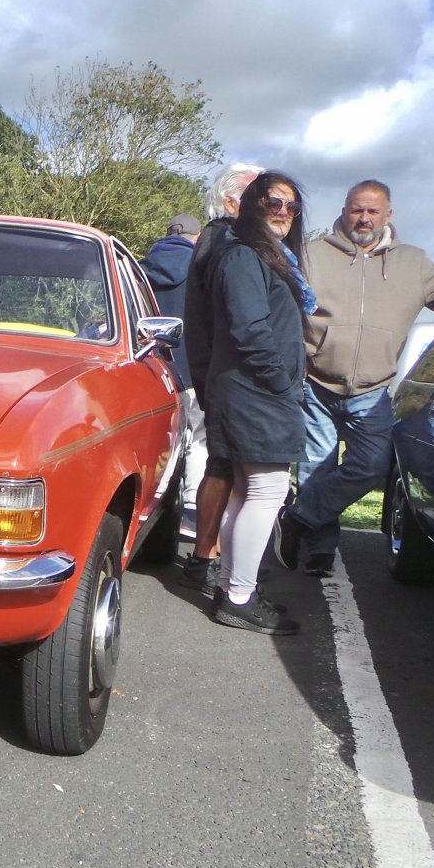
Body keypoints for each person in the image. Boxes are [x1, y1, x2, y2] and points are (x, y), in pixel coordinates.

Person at [275, 180, 434, 578]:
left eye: (372, 211)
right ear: (344, 209)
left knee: (371, 467)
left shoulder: (414, 262)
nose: (363, 218)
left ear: (388, 215)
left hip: (373, 390)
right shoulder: (311, 255)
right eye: (356, 209)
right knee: (316, 468)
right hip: (316, 382)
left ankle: (298, 518)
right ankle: (319, 551)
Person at [198, 172, 312, 634]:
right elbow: (250, 329)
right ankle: (240, 597)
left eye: (290, 205)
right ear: (249, 206)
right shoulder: (243, 254)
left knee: (246, 492)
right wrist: (282, 382)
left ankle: (233, 588)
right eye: (272, 202)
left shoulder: (260, 255)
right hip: (256, 392)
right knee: (267, 491)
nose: (282, 211)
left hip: (248, 391)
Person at [179, 162, 263, 595]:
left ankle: (209, 557)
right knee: (225, 466)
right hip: (229, 375)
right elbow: (233, 319)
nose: (270, 206)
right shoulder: (225, 241)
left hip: (220, 372)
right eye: (258, 196)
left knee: (224, 465)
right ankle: (208, 558)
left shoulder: (221, 239)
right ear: (232, 202)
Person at [139, 214, 203, 535]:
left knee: (156, 443)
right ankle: (191, 514)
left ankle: (150, 510)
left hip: (150, 374)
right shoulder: (203, 269)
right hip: (193, 372)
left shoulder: (137, 270)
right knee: (198, 442)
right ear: (197, 236)